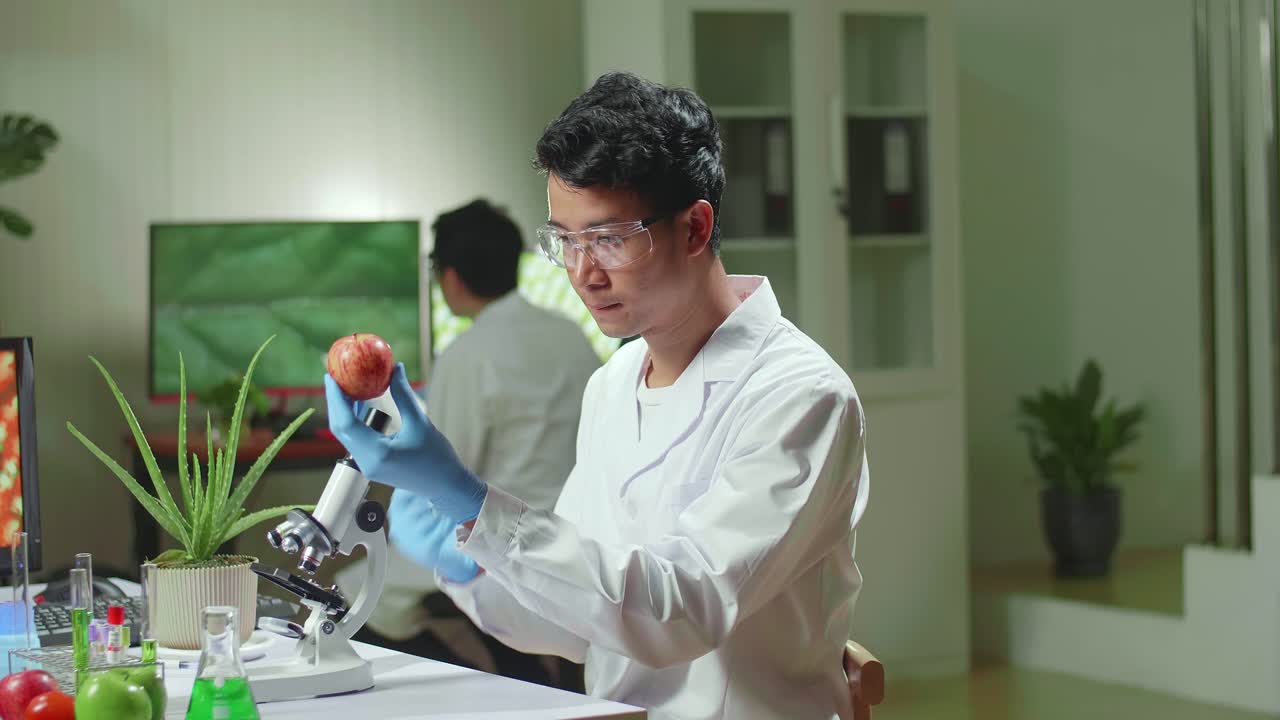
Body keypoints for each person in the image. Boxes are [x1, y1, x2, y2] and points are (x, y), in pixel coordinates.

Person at [325, 72, 869, 720]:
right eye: (565, 240)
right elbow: (580, 626)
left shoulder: (801, 397)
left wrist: (471, 500)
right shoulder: (613, 381)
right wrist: (470, 556)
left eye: (609, 238)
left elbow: (680, 612)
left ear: (695, 228)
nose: (584, 272)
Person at [334, 198, 600, 688]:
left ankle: (496, 675)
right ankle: (516, 670)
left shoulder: (466, 355)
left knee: (353, 593)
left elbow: (446, 469)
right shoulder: (572, 336)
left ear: (450, 276)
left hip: (498, 539)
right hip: (576, 539)